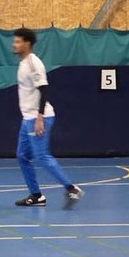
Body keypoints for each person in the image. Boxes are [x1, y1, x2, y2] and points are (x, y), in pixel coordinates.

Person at [11, 27, 83, 209]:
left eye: (18, 41)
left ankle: (72, 188)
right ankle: (36, 195)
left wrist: (39, 118)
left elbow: (44, 89)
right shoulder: (23, 62)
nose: (14, 44)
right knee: (22, 156)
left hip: (38, 118)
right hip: (27, 118)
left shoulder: (34, 64)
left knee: (41, 156)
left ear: (27, 44)